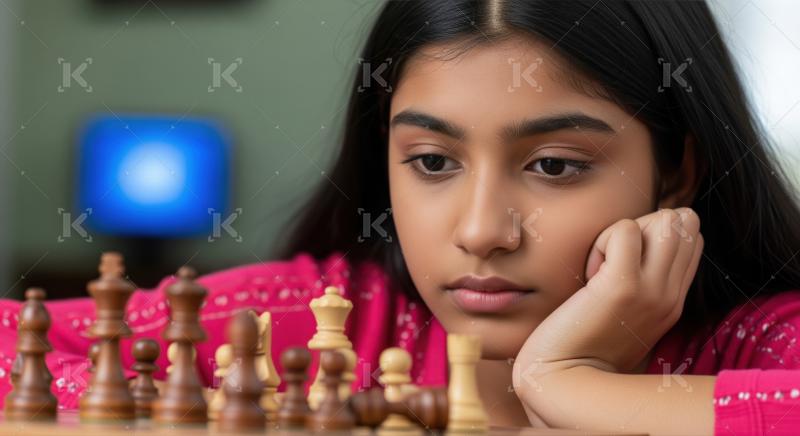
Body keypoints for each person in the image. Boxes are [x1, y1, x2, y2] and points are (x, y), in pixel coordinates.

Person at [2, 1, 800, 434]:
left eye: (554, 165)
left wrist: (569, 387)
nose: (483, 229)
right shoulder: (331, 321)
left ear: (677, 173)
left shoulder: (758, 341)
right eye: (432, 162)